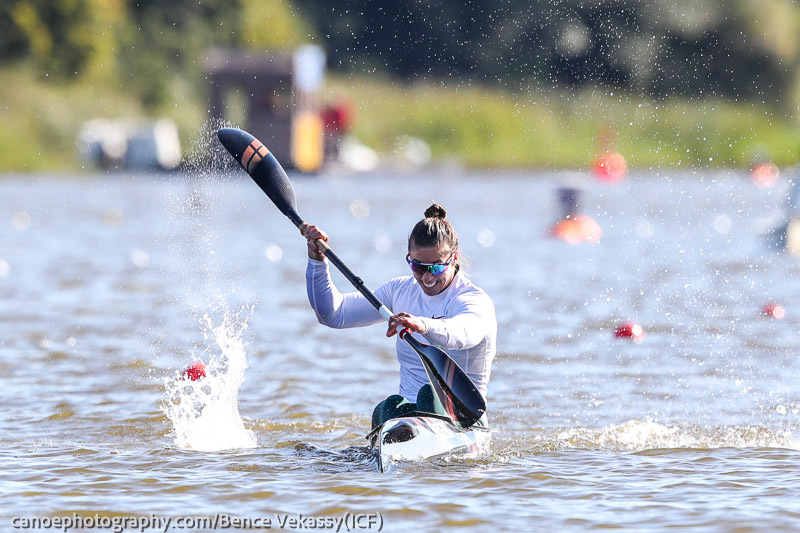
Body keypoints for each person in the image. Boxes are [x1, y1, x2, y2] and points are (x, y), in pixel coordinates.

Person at [303, 203, 497, 429]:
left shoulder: (472, 300)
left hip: (464, 418)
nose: (426, 278)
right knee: (388, 408)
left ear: (453, 258)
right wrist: (317, 261)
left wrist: (422, 325)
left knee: (429, 396)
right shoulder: (398, 291)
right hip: (409, 421)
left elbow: (465, 333)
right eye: (417, 266)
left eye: (435, 268)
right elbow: (333, 315)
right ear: (408, 258)